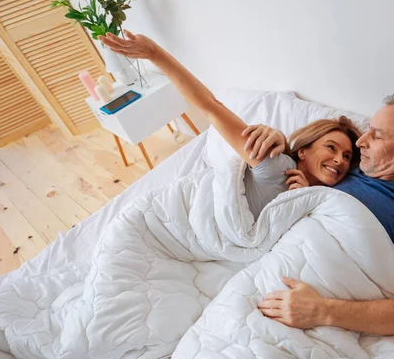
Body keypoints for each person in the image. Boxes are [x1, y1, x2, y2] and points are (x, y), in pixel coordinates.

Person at [252, 94, 394, 336]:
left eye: (377, 135)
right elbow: (296, 166)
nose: (361, 141)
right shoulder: (343, 170)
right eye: (367, 130)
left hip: (319, 312)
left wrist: (321, 311)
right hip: (264, 279)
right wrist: (278, 141)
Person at [99, 31, 361, 219]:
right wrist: (156, 55)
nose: (340, 160)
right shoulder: (275, 164)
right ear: (302, 150)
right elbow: (211, 107)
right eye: (332, 147)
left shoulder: (325, 199)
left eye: (347, 156)